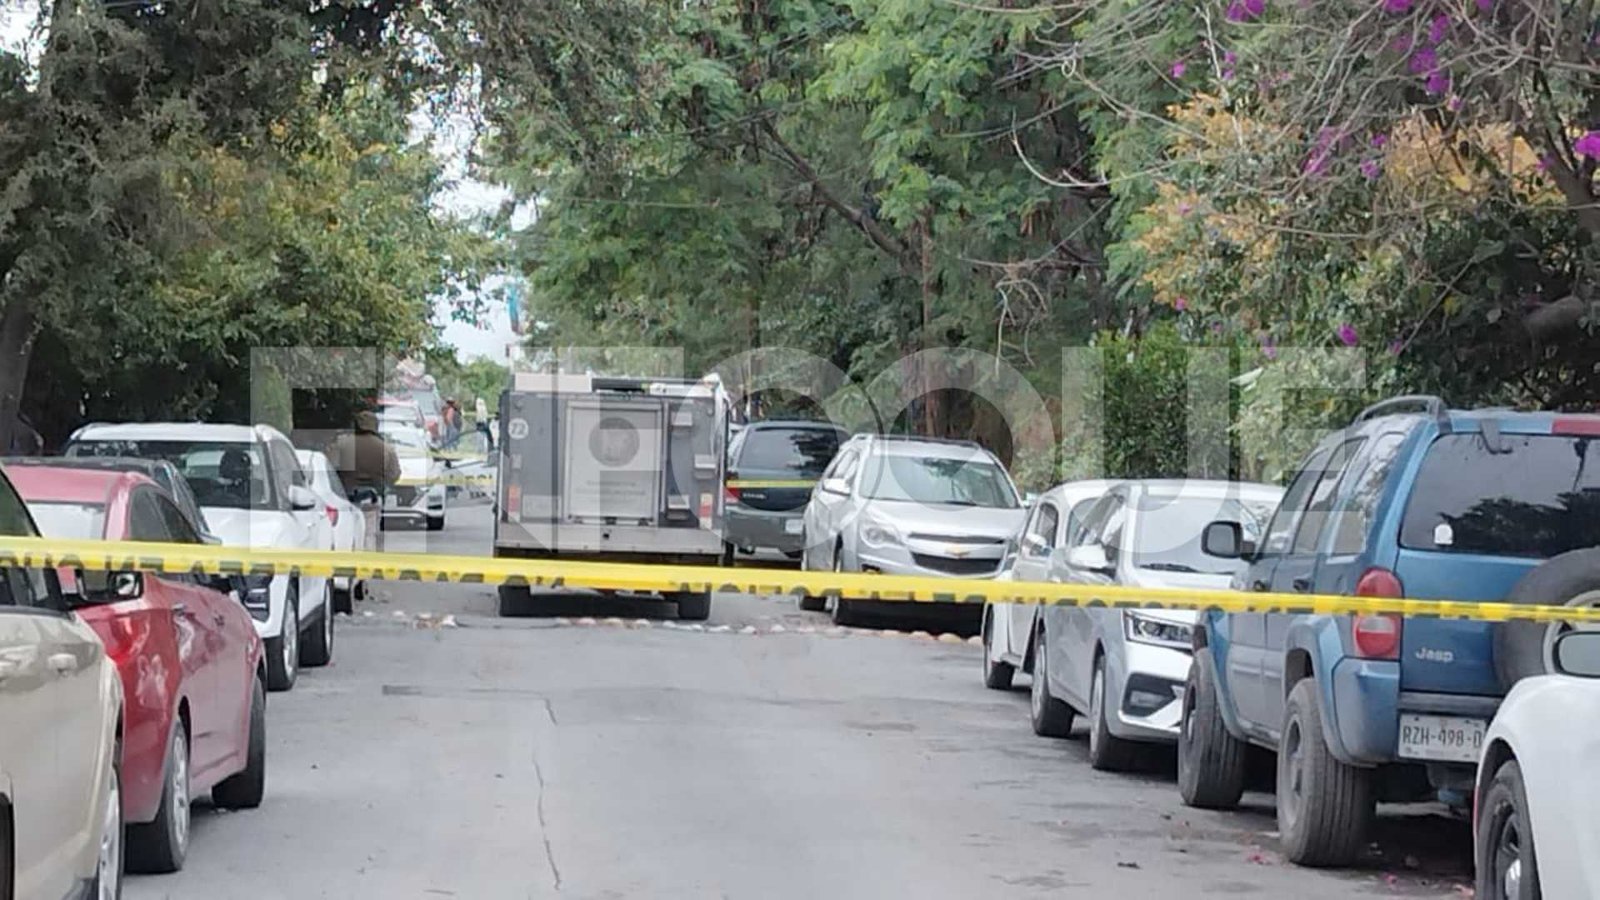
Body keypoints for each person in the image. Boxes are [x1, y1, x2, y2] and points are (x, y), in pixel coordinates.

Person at [328, 409, 400, 553]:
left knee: (345, 534)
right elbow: (394, 475)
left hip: (345, 498)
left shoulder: (343, 444)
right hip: (372, 499)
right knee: (369, 535)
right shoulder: (386, 448)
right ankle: (365, 570)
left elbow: (330, 467)